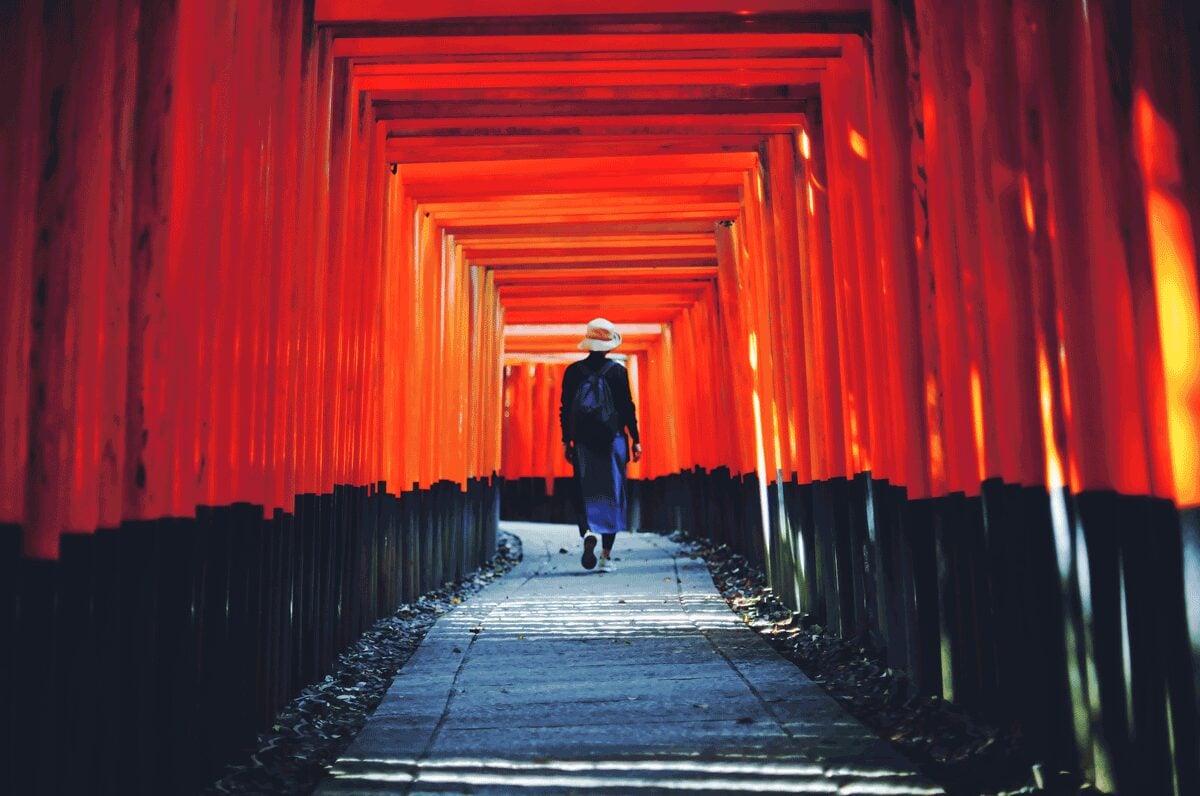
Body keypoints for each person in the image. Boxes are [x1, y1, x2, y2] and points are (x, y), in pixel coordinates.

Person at [560, 318, 642, 572]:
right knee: (613, 493)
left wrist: (567, 440)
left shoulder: (573, 372)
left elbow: (564, 410)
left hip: (584, 442)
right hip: (613, 440)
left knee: (584, 490)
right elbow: (628, 407)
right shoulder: (617, 371)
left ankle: (587, 533)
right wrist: (636, 439)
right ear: (609, 345)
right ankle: (606, 556)